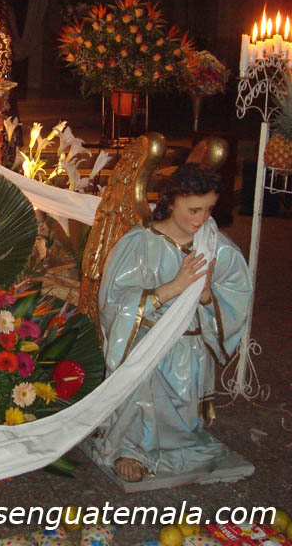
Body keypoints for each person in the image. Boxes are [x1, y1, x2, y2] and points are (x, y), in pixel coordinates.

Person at [93, 163, 253, 482]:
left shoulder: (216, 247)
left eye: (208, 210)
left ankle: (177, 440)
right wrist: (173, 288)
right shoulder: (140, 243)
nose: (201, 219)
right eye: (193, 209)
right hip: (147, 342)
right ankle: (131, 447)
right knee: (142, 380)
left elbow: (236, 295)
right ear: (172, 200)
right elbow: (114, 301)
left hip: (189, 348)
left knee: (183, 423)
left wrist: (205, 296)